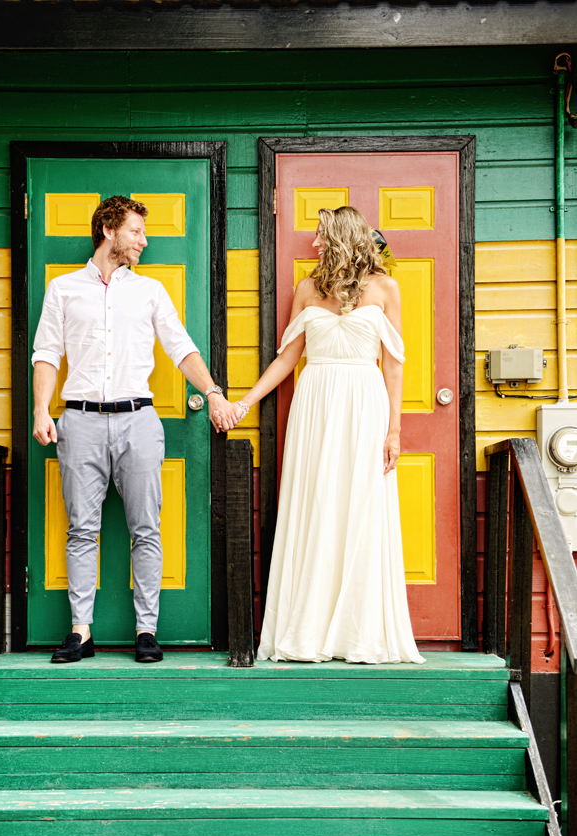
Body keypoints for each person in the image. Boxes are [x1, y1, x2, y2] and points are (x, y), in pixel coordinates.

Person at [32, 195, 237, 664]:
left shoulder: (149, 292)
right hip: (79, 420)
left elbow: (181, 348)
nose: (144, 241)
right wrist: (43, 410)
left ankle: (147, 630)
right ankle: (80, 633)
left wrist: (213, 394)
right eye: (136, 232)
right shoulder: (63, 290)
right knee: (81, 530)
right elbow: (46, 354)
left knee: (146, 528)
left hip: (139, 422)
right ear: (108, 230)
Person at [232, 206, 425, 664]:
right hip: (315, 403)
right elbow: (286, 360)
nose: (314, 244)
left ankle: (357, 633)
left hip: (364, 402)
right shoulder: (306, 288)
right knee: (315, 504)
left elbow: (394, 365)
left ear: (342, 238)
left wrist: (394, 430)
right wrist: (245, 402)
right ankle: (310, 627)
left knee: (359, 506)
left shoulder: (385, 289)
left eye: (322, 236)